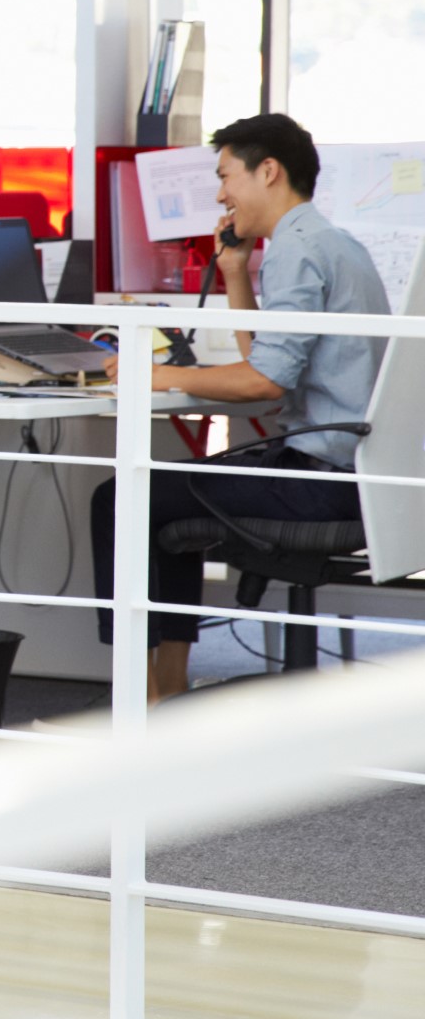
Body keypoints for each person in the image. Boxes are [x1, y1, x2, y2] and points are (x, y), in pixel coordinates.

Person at [92, 114, 388, 703]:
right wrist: (234, 273)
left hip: (320, 483)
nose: (221, 194)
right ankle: (165, 690)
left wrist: (152, 374)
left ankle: (140, 696)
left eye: (226, 175)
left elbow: (265, 384)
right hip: (360, 477)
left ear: (269, 171)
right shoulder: (329, 242)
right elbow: (269, 361)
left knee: (121, 497)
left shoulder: (296, 252)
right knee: (166, 497)